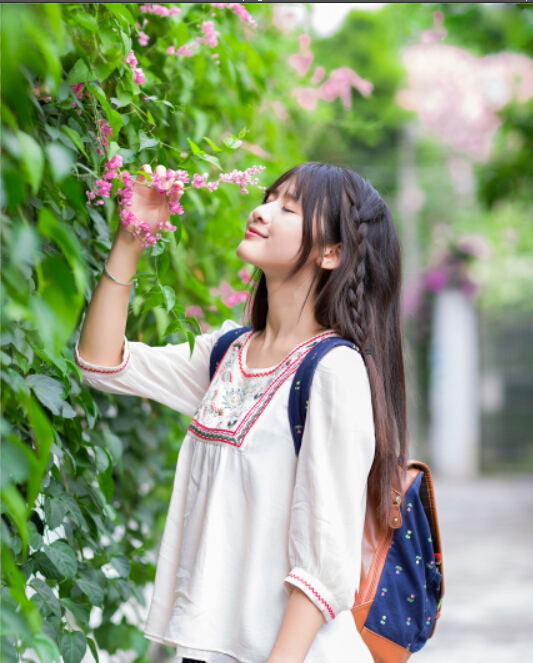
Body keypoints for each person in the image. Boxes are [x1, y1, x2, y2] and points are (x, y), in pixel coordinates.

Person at [75, 161, 408, 663]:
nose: (262, 211)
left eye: (288, 208)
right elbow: (102, 364)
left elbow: (323, 562)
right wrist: (131, 239)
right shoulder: (228, 354)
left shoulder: (334, 371)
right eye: (269, 198)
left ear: (332, 253)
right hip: (209, 649)